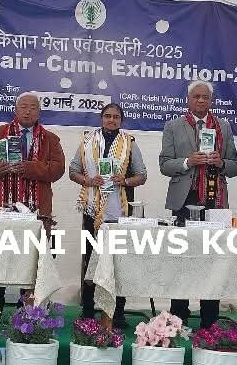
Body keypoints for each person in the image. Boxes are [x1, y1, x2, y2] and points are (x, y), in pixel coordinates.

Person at [159, 80, 237, 328]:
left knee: (212, 260)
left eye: (205, 97)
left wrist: (220, 163)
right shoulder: (173, 126)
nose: (201, 100)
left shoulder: (223, 126)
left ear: (211, 101)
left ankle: (209, 322)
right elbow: (164, 165)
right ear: (188, 99)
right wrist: (188, 161)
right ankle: (178, 319)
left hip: (215, 202)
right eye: (197, 96)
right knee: (181, 259)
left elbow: (235, 167)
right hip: (185, 200)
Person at [0, 92, 65, 312]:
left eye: (32, 107)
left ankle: (28, 312)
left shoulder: (50, 139)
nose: (27, 111)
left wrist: (31, 168)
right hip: (0, 208)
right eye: (23, 107)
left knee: (33, 260)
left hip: (35, 210)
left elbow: (58, 169)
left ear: (39, 112)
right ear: (15, 110)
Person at [69, 103, 147, 328]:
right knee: (90, 260)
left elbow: (142, 175)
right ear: (101, 118)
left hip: (119, 212)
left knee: (118, 262)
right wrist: (87, 180)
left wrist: (125, 180)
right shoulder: (87, 140)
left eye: (116, 117)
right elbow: (73, 171)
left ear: (121, 120)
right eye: (107, 116)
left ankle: (117, 312)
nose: (111, 120)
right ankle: (87, 309)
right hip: (92, 211)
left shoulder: (129, 142)